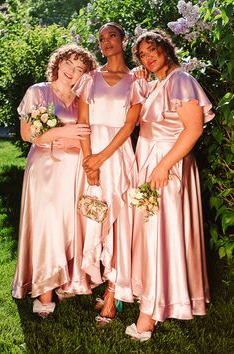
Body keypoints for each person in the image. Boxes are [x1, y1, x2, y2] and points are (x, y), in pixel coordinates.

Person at [125, 29, 215, 341]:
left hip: (168, 165)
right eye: (142, 55)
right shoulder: (157, 83)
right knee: (155, 235)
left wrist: (164, 166)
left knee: (159, 234)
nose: (148, 58)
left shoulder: (180, 80)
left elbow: (193, 129)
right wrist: (139, 83)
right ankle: (157, 297)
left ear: (166, 49)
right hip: (152, 162)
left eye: (152, 51)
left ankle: (148, 318)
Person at [12, 44, 97, 318]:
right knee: (47, 226)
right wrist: (63, 132)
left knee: (70, 225)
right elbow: (28, 134)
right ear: (58, 62)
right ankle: (43, 290)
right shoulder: (38, 91)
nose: (72, 72)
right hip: (45, 169)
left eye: (80, 69)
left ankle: (66, 279)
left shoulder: (82, 98)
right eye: (69, 64)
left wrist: (71, 137)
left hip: (74, 171)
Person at [72, 22, 146, 324]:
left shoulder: (136, 80)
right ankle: (103, 277)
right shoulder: (90, 78)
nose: (106, 42)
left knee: (120, 222)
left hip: (117, 155)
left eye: (112, 36)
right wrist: (89, 160)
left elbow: (130, 126)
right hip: (91, 155)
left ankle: (115, 292)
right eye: (101, 39)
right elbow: (83, 121)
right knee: (95, 216)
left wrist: (101, 158)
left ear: (124, 40)